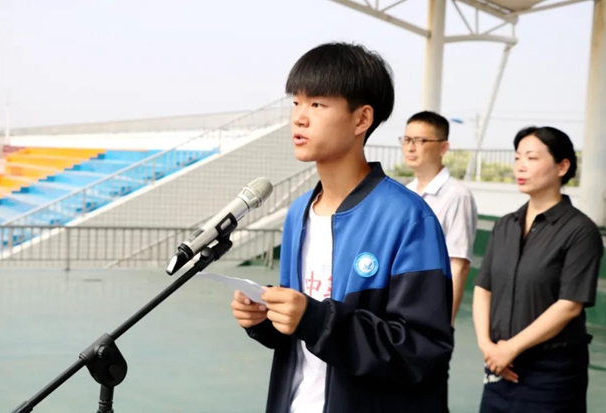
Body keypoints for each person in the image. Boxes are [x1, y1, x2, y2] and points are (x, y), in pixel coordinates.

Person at [230, 42, 454, 413]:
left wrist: (315, 320)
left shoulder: (408, 218)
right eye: (296, 102)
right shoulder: (298, 213)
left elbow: (421, 350)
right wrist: (266, 319)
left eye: (317, 104)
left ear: (361, 119)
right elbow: (303, 333)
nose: (299, 118)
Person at [473, 126, 603, 413]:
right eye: (517, 157)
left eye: (532, 158)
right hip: (498, 366)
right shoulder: (505, 225)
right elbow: (483, 288)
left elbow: (569, 305)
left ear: (562, 166)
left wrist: (510, 349)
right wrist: (488, 347)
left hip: (551, 374)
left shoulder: (580, 230)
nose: (520, 166)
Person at [402, 111, 478, 325]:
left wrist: (443, 327)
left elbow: (458, 265)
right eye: (407, 140)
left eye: (420, 140)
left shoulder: (457, 195)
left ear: (443, 147)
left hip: (428, 314)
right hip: (398, 308)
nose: (410, 147)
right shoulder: (405, 193)